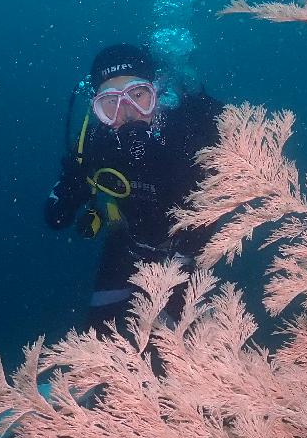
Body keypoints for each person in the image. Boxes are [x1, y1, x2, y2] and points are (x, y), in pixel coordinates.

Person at [45, 43, 225, 331]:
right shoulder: (96, 143)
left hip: (199, 257)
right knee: (99, 342)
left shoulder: (191, 126)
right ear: (97, 108)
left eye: (138, 96)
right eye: (110, 103)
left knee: (185, 354)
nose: (127, 113)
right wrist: (65, 198)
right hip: (128, 246)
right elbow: (59, 207)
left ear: (158, 92)